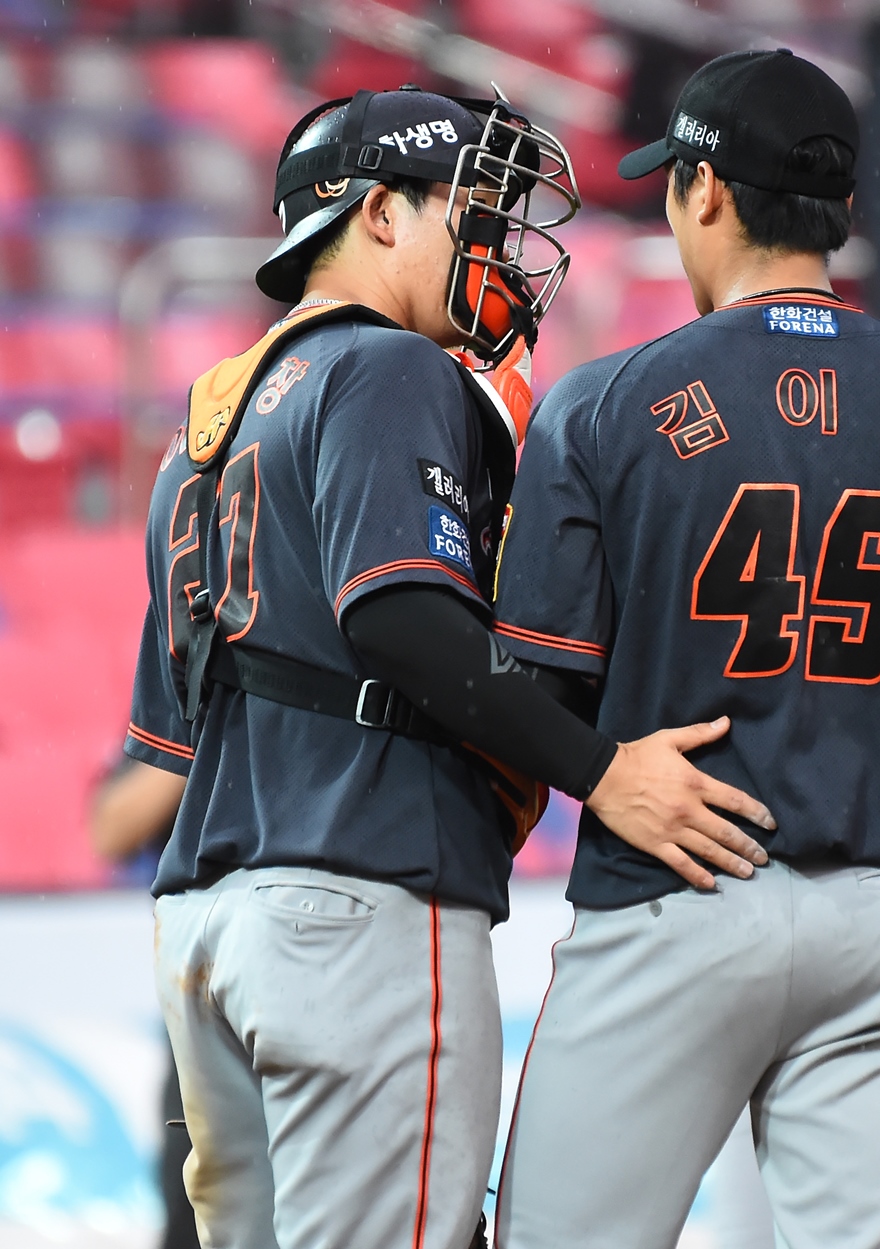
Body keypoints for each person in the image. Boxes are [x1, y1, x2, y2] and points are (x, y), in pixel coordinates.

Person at [124, 86, 772, 1249]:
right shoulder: (389, 369)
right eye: (469, 208)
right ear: (379, 214)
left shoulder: (203, 427)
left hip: (207, 927)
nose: (497, 243)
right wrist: (601, 770)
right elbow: (403, 623)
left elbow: (171, 729)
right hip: (357, 906)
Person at [490, 50, 880, 1249]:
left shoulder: (608, 402)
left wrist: (598, 775)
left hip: (681, 893)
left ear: (706, 193)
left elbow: (535, 687)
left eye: (675, 183)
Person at [90, 759, 197, 1249]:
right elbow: (111, 828)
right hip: (205, 999)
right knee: (194, 1199)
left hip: (331, 983)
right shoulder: (193, 695)